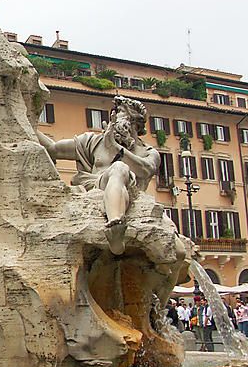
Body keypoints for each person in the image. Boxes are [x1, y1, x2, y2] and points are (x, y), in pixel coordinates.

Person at [37, 95, 161, 255]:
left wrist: (115, 147)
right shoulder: (92, 141)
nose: (115, 117)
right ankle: (114, 227)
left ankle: (116, 229)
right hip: (96, 188)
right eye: (116, 112)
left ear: (135, 124)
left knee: (179, 251)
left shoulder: (148, 152)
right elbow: (53, 149)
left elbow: (146, 169)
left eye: (122, 113)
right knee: (118, 168)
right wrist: (26, 122)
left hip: (130, 195)